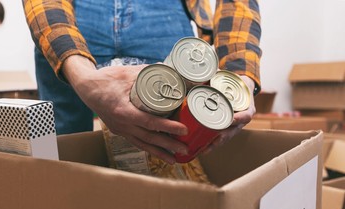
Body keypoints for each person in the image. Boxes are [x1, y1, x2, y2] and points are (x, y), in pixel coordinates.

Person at [23, 0, 261, 164]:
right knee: (60, 157)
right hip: (70, 15)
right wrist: (81, 75)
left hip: (165, 13)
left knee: (166, 162)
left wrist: (240, 73)